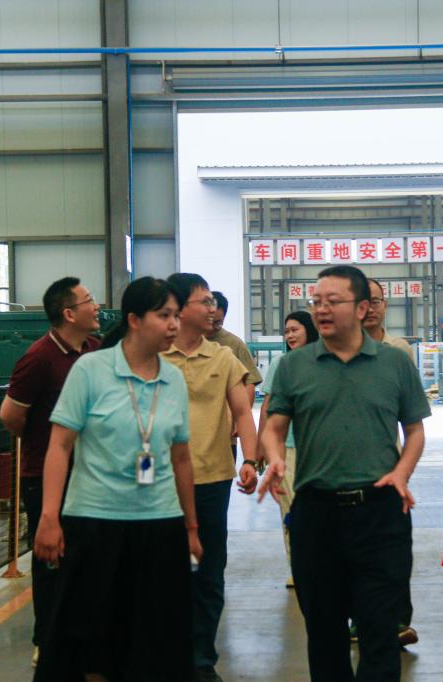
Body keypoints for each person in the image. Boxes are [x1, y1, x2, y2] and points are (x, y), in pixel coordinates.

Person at [258, 265, 431, 681]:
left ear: (362, 307)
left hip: (380, 512)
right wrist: (275, 457)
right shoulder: (294, 365)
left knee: (380, 628)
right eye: (316, 302)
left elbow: (415, 430)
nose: (321, 310)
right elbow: (274, 427)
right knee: (324, 630)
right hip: (317, 512)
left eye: (333, 301)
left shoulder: (395, 362)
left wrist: (402, 472)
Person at [31, 276, 201, 681]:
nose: (174, 325)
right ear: (134, 320)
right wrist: (50, 517)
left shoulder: (173, 379)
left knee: (155, 642)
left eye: (176, 316)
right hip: (95, 523)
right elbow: (60, 447)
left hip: (160, 524)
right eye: (164, 316)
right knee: (90, 642)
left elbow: (181, 458)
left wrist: (191, 528)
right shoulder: (91, 370)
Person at [0, 276, 100, 667]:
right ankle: (48, 642)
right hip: (44, 475)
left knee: (87, 561)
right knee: (51, 562)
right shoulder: (39, 358)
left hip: (88, 474)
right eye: (89, 300)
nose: (96, 306)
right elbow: (10, 416)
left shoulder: (94, 350)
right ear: (69, 313)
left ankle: (83, 641)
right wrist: (44, 440)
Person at [163, 273, 259, 682]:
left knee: (208, 572)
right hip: (157, 485)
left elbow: (243, 413)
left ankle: (202, 659)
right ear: (179, 308)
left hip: (212, 479)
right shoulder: (154, 355)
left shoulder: (223, 356)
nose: (212, 308)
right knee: (161, 574)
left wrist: (250, 459)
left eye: (212, 302)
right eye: (203, 301)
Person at [362, 278, 419, 647]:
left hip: (390, 466)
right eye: (365, 301)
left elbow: (411, 416)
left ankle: (399, 620)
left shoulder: (398, 352)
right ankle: (360, 619)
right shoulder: (333, 352)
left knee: (393, 551)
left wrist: (403, 469)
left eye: (377, 301)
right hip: (347, 470)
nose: (372, 308)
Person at [255, 310, 318, 588]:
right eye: (287, 331)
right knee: (290, 509)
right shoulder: (281, 364)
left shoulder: (324, 361)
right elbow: (267, 407)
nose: (290, 335)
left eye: (295, 329)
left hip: (318, 449)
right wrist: (261, 446)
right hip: (287, 450)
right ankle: (297, 566)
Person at [208, 290, 263, 412]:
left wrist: (242, 415)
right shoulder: (188, 341)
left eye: (217, 322)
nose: (212, 327)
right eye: (209, 321)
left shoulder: (235, 344)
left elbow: (249, 382)